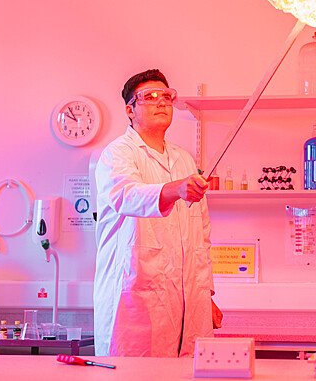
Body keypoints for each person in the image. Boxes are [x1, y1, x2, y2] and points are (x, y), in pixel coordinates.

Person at [93, 69, 222, 357]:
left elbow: (201, 238)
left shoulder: (183, 158)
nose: (161, 102)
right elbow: (125, 194)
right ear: (130, 109)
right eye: (149, 97)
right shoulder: (119, 154)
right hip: (136, 299)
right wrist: (174, 189)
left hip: (189, 303)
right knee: (136, 372)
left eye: (166, 96)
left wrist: (206, 295)